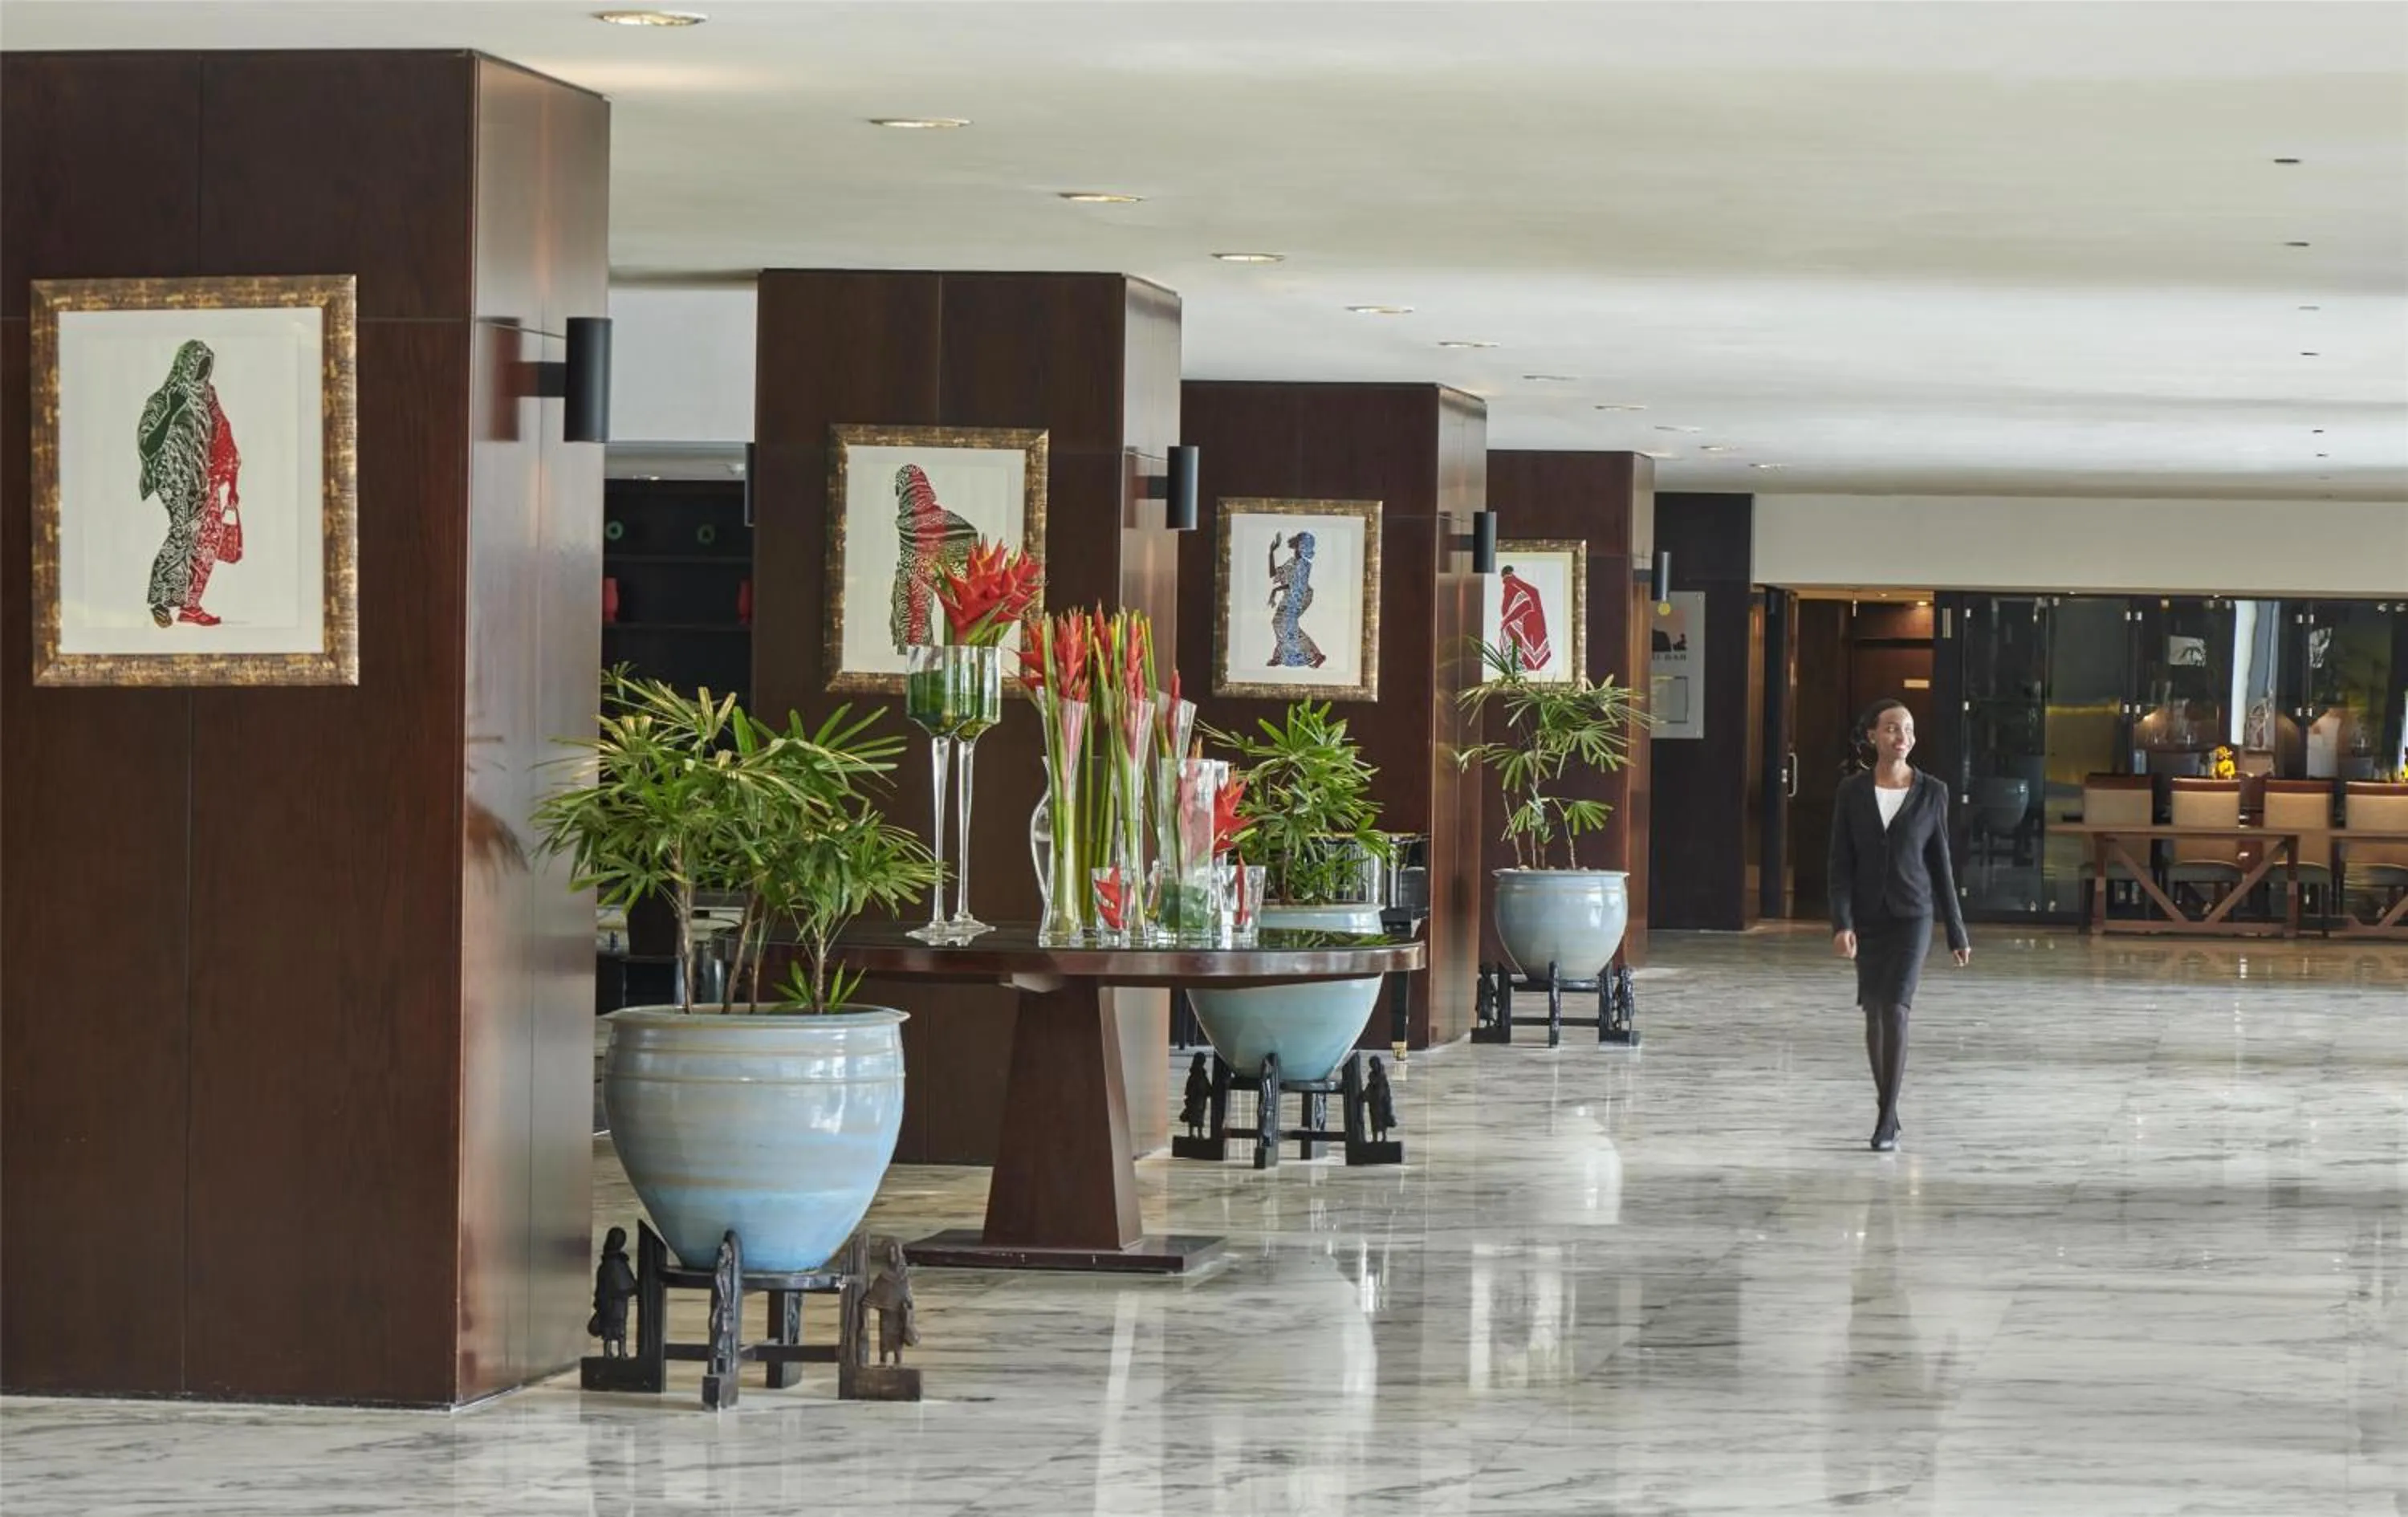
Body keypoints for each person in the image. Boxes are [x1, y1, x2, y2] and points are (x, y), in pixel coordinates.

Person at [1828, 698, 1970, 1151]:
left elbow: (1941, 864)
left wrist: (1956, 931)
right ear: (1872, 735)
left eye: (1908, 729)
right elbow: (1840, 865)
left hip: (1914, 915)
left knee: (1896, 1008)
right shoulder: (1851, 792)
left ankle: (1886, 1119)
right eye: (1892, 728)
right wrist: (1842, 922)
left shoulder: (1933, 792)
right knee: (1873, 1010)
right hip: (1868, 918)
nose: (1902, 736)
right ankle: (1887, 1104)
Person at [1265, 531, 1326, 668]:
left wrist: (1275, 591)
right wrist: (1271, 553)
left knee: (1287, 623)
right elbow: (1273, 574)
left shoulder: (1303, 564)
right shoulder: (1292, 562)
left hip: (1300, 595)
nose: (1293, 541)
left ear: (1302, 545)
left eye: (1298, 540)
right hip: (1291, 594)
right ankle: (1280, 655)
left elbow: (1297, 585)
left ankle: (1316, 655)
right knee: (1277, 622)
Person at [1496, 564, 1552, 673]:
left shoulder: (1511, 584)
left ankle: (1521, 665)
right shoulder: (1519, 584)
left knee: (1516, 641)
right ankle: (1526, 664)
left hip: (1520, 620)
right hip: (1530, 620)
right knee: (1522, 641)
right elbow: (1533, 593)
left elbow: (1511, 605)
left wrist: (1508, 618)